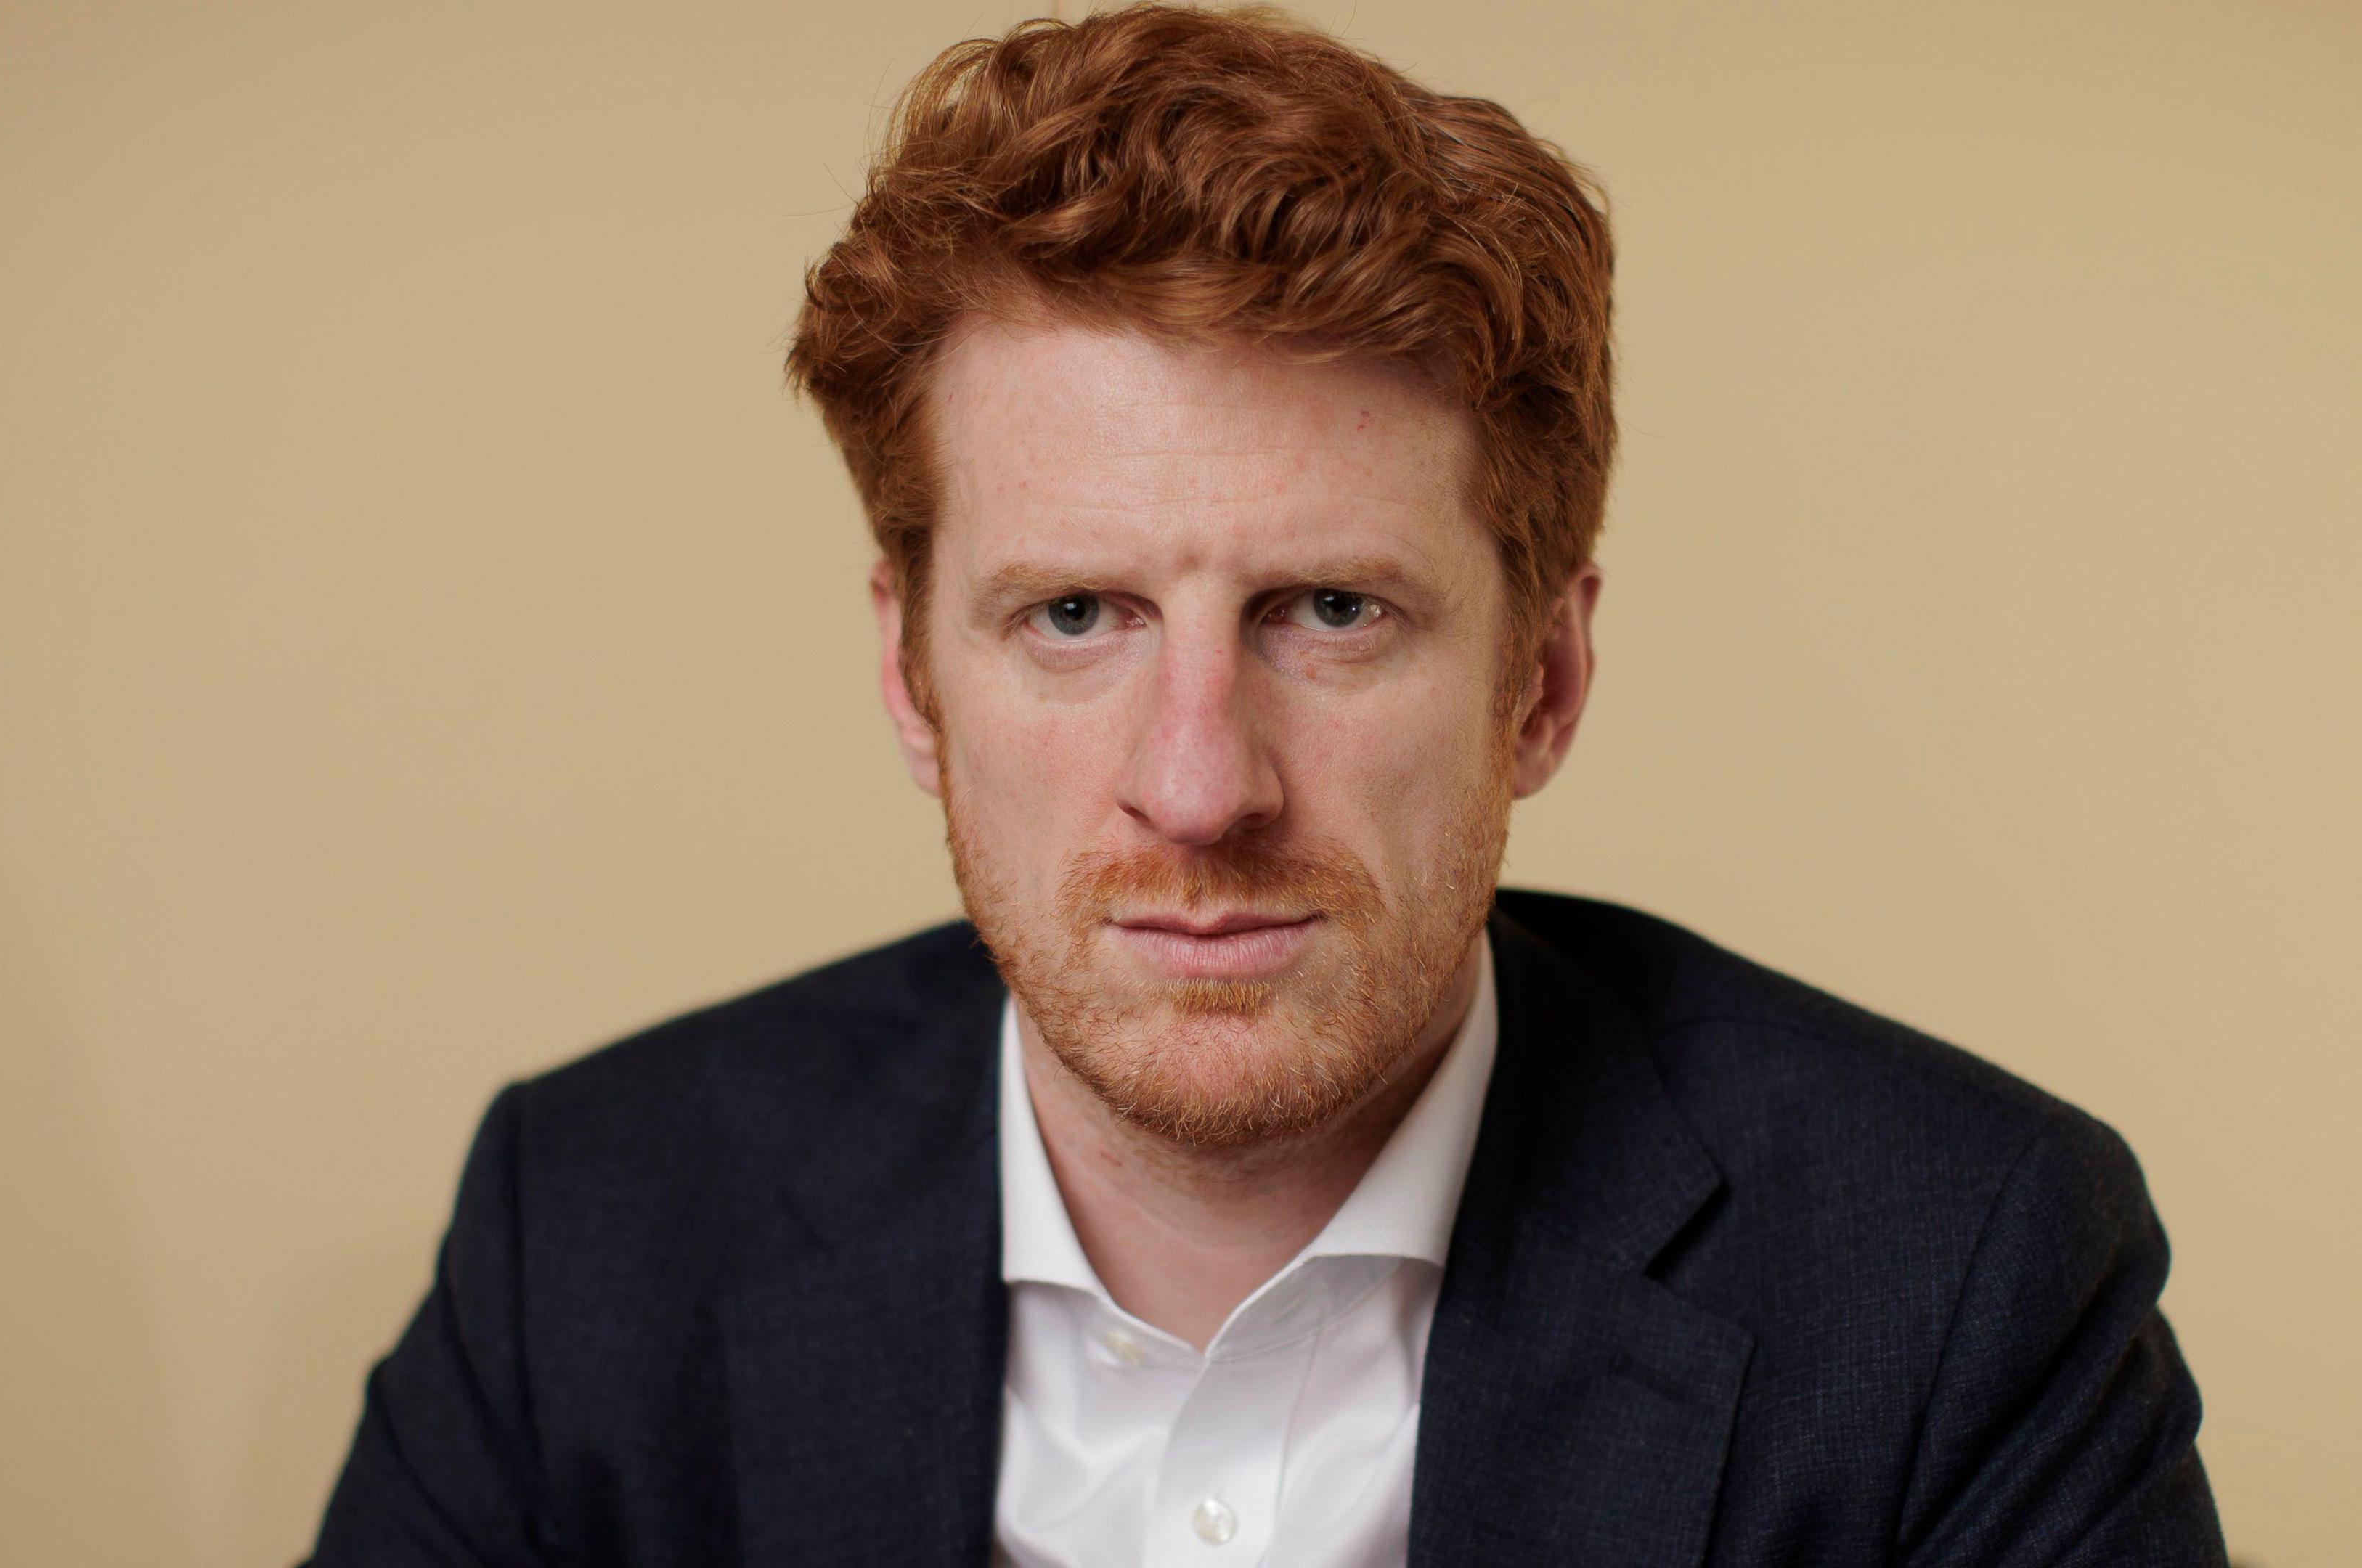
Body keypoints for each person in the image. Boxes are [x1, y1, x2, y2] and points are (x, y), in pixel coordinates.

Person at [305, 6, 2222, 1564]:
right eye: (1074, 613)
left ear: (1541, 682)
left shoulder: (1962, 1276)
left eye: (1328, 609)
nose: (1201, 783)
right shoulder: (595, 1240)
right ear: (909, 675)